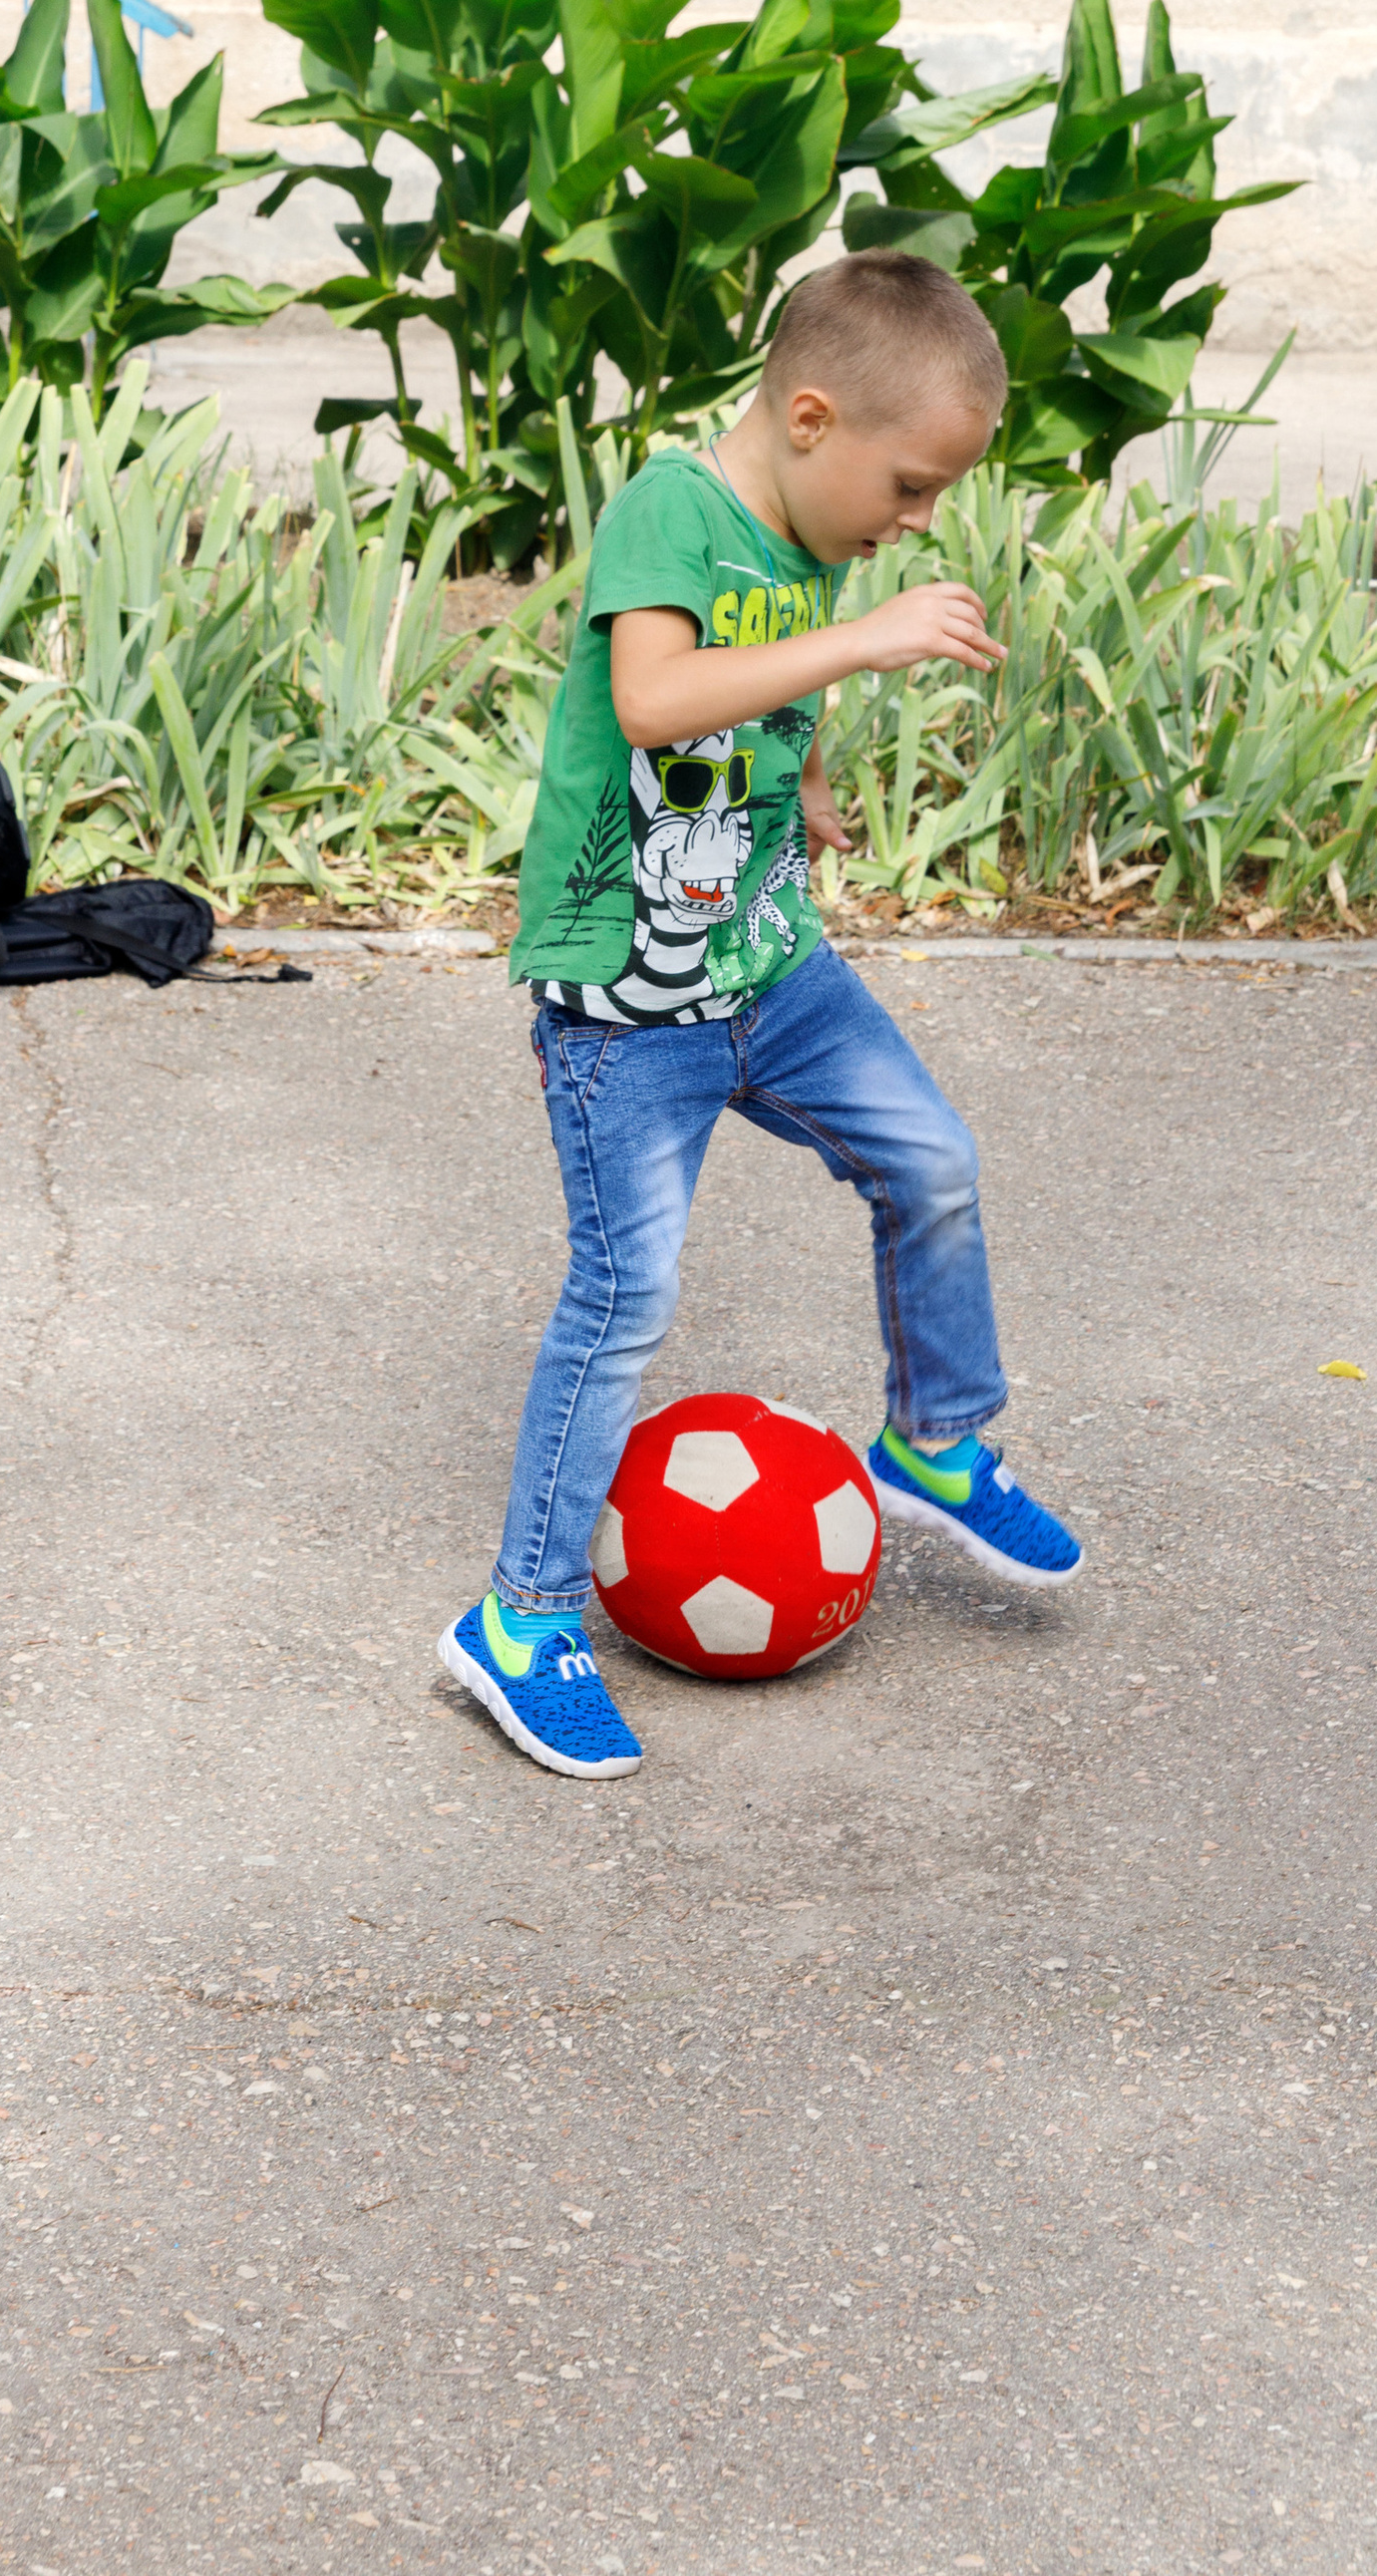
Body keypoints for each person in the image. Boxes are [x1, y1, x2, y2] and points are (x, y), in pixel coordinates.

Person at [438, 250, 1084, 1780]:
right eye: (912, 485)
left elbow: (749, 699)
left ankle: (933, 1440)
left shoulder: (812, 523)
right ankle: (518, 1624)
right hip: (630, 1006)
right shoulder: (672, 505)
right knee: (623, 1301)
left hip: (772, 968)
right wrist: (863, 641)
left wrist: (803, 784)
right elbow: (658, 698)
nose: (917, 519)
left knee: (931, 1161)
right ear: (809, 417)